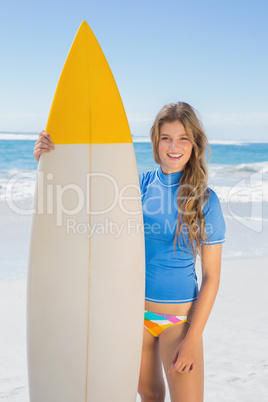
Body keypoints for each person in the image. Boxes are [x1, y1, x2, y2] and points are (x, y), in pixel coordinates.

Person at [33, 101, 225, 402]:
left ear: (194, 144)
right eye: (166, 138)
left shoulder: (206, 201)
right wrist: (48, 161)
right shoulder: (137, 186)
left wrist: (193, 339)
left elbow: (212, 277)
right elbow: (81, 202)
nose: (174, 146)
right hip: (133, 316)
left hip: (178, 322)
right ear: (156, 141)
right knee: (149, 395)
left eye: (183, 138)